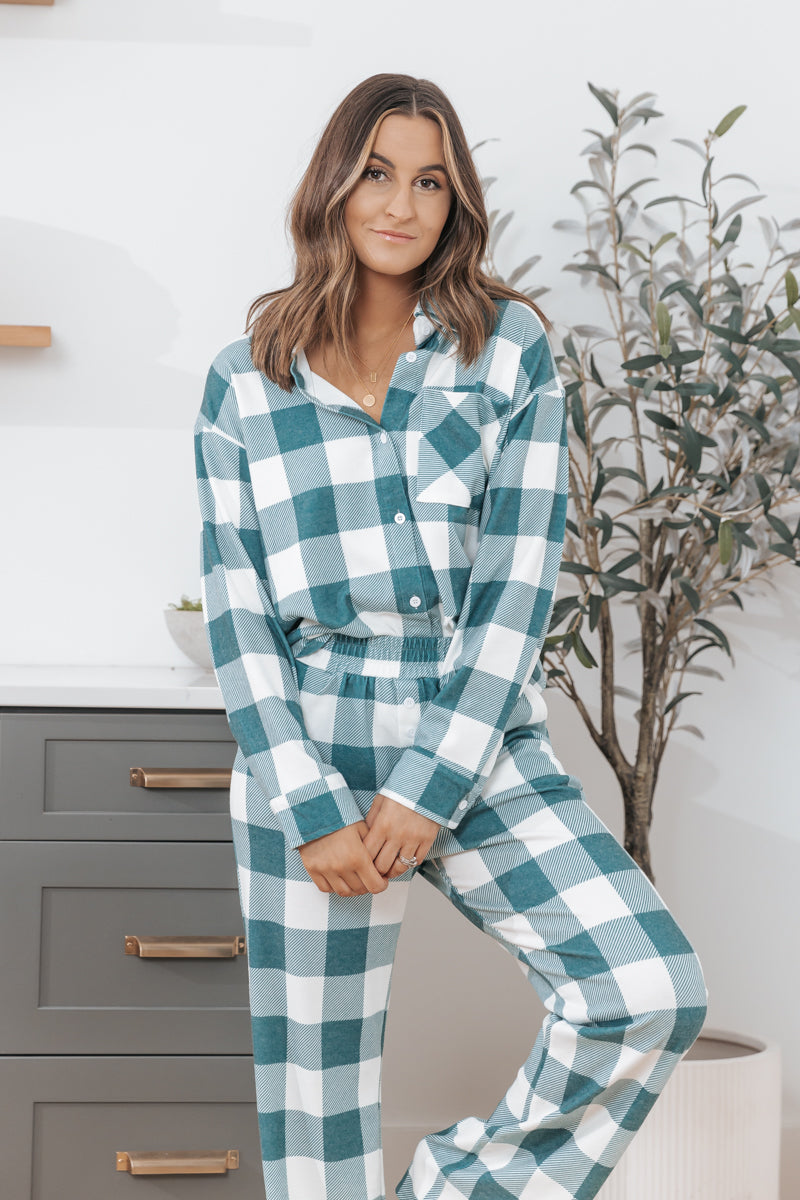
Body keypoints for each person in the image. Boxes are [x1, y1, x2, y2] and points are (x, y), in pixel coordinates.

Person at [194, 72, 708, 1200]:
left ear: (455, 202)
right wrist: (308, 802)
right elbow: (235, 607)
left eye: (431, 180)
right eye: (377, 171)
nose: (402, 202)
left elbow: (516, 588)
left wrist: (427, 788)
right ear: (333, 184)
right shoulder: (245, 381)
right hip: (308, 738)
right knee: (314, 1098)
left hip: (471, 734)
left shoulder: (508, 350)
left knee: (643, 987)